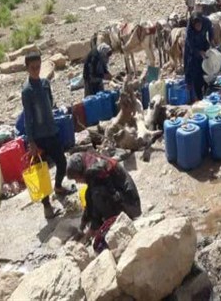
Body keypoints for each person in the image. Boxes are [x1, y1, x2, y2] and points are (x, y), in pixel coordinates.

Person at [21, 52, 74, 219]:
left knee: (62, 162)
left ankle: (58, 186)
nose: (36, 70)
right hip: (38, 138)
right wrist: (31, 142)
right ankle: (47, 208)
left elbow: (51, 104)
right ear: (27, 68)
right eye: (32, 68)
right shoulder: (27, 91)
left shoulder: (45, 83)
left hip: (51, 131)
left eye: (38, 67)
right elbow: (28, 118)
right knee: (41, 172)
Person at [66, 151, 142, 239]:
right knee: (90, 194)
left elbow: (97, 199)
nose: (77, 182)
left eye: (76, 178)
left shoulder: (93, 171)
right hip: (126, 199)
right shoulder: (91, 164)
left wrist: (93, 227)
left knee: (97, 195)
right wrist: (82, 226)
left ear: (80, 172)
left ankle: (113, 224)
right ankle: (103, 224)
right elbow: (89, 201)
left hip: (131, 205)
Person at [184, 12, 214, 101]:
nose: (198, 27)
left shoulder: (206, 21)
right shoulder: (189, 30)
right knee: (193, 69)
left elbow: (210, 29)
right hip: (192, 48)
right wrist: (198, 52)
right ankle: (197, 94)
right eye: (196, 26)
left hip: (203, 42)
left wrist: (211, 40)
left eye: (199, 25)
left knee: (206, 66)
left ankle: (206, 88)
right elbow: (190, 45)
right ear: (193, 25)